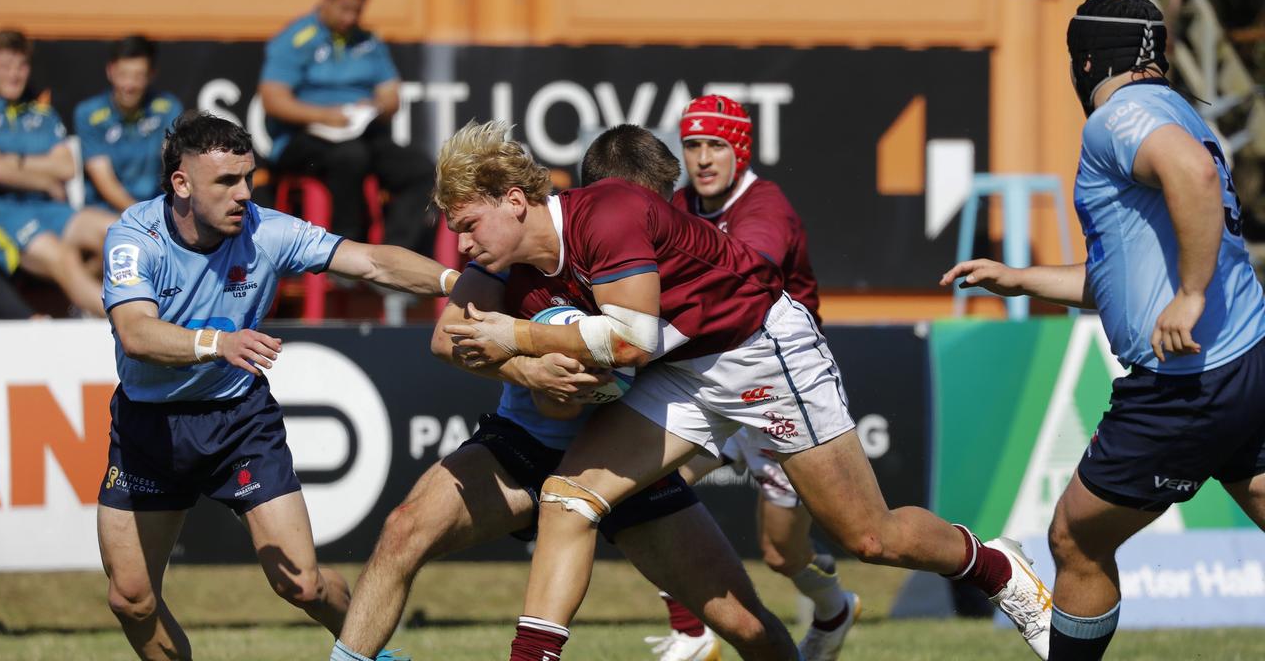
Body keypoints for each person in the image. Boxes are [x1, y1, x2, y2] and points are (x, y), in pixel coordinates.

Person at [436, 120, 1054, 661]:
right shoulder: (521, 271)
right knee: (569, 499)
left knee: (870, 537)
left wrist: (517, 337)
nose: (462, 246)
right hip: (683, 366)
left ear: (515, 201)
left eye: (467, 226)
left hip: (759, 348)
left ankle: (995, 567)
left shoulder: (608, 211)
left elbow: (628, 342)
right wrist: (525, 355)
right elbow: (447, 324)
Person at [326, 125, 797, 661]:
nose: (655, 218)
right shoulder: (517, 250)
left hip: (622, 458)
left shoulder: (674, 258)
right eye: (649, 206)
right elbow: (446, 338)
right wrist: (528, 371)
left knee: (746, 624)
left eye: (663, 207)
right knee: (404, 530)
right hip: (528, 442)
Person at [941, 0, 1265, 661]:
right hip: (1245, 360)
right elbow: (1127, 278)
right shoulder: (1177, 109)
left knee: (1075, 540)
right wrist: (1022, 277)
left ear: (1084, 62)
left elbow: (1195, 178)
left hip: (1186, 383)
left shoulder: (1118, 118)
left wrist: (1191, 295)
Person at [97, 111, 458, 661]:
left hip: (237, 418)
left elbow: (372, 262)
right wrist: (217, 344)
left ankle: (371, 654)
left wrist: (456, 282)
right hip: (149, 426)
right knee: (131, 599)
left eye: (247, 178)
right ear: (181, 184)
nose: (243, 194)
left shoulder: (268, 231)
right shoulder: (133, 238)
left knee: (301, 584)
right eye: (225, 182)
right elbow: (136, 332)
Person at [635, 97, 855, 661]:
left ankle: (834, 607)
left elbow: (741, 270)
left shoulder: (765, 206)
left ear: (740, 150)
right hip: (707, 384)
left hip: (772, 386)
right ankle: (692, 632)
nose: (703, 158)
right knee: (646, 488)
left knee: (781, 554)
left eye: (716, 145)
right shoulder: (678, 202)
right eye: (692, 145)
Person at [259, 0, 434, 250]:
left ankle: (395, 255)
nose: (350, 18)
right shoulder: (295, 39)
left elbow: (391, 95)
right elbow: (273, 97)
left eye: (357, 10)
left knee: (419, 169)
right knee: (350, 157)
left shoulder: (368, 43)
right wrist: (324, 116)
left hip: (361, 133)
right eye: (344, 9)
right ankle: (348, 250)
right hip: (304, 139)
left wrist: (374, 106)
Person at [0, 28, 115, 316]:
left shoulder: (41, 113)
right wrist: (43, 175)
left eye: (21, 66)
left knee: (116, 233)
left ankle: (161, 307)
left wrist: (11, 163)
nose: (14, 75)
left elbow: (66, 166)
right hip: (0, 215)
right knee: (65, 258)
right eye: (6, 66)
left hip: (49, 209)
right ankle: (128, 323)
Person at [75, 35, 182, 212]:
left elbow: (174, 163)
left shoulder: (168, 108)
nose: (129, 85)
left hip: (158, 209)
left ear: (152, 75)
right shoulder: (89, 114)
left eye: (138, 76)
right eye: (122, 74)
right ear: (109, 71)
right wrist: (141, 217)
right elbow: (104, 181)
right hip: (106, 212)